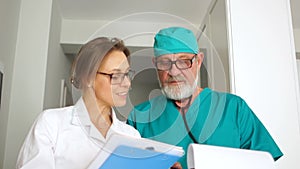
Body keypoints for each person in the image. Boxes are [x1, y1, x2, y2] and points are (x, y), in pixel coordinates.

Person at [127, 27, 283, 169]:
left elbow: (264, 163)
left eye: (183, 61)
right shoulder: (139, 117)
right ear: (155, 64)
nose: (174, 71)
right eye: (164, 62)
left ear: (199, 61)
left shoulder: (234, 108)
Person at [16, 37, 141, 169]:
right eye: (115, 76)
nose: (127, 83)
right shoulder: (51, 124)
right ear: (88, 78)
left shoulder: (132, 136)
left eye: (127, 74)